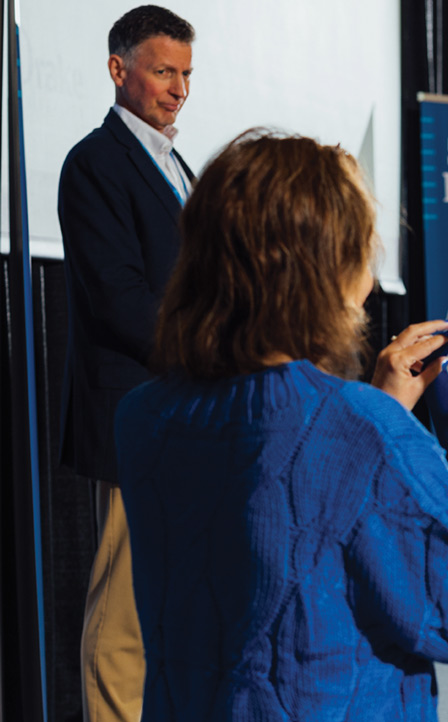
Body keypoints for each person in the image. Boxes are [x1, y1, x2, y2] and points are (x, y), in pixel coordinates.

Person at [112, 130, 448, 721]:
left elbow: (283, 557)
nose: (370, 283)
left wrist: (381, 408)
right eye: (359, 254)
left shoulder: (145, 418)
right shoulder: (355, 431)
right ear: (316, 269)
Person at [57, 5, 195, 720]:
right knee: (122, 624)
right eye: (164, 71)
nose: (179, 89)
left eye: (187, 74)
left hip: (192, 417)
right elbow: (118, 300)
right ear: (119, 70)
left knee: (173, 612)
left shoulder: (177, 160)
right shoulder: (93, 163)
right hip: (135, 418)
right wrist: (213, 345)